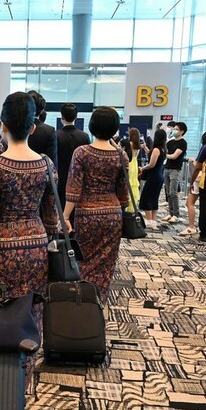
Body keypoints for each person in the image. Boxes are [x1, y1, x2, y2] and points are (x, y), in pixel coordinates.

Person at [0, 92, 59, 384]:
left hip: (2, 251)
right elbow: (51, 218)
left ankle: (1, 381)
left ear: (3, 126)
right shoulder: (46, 165)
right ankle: (25, 376)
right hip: (36, 248)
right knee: (32, 312)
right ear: (33, 127)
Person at [62, 107, 130, 303]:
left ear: (92, 126)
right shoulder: (121, 155)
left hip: (86, 214)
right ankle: (99, 300)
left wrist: (65, 216)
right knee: (106, 264)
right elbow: (123, 193)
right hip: (112, 214)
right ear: (115, 128)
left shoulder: (82, 153)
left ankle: (83, 301)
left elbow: (74, 189)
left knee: (83, 259)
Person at [56, 103, 90, 206]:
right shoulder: (84, 136)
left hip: (60, 180)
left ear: (62, 117)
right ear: (76, 117)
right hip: (79, 180)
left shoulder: (55, 135)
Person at [180, 131, 206, 237]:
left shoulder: (204, 149)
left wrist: (193, 161)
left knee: (189, 203)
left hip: (199, 178)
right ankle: (200, 227)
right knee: (203, 205)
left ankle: (191, 226)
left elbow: (198, 166)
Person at [138, 129, 167, 230]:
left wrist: (142, 168)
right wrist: (145, 147)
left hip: (153, 177)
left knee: (146, 198)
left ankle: (149, 221)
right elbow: (152, 157)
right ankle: (153, 221)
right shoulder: (163, 149)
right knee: (154, 199)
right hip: (159, 176)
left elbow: (151, 164)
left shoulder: (156, 149)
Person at [162, 121, 187, 223]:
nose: (174, 131)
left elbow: (174, 156)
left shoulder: (183, 143)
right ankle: (170, 213)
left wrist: (164, 155)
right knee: (168, 192)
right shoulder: (170, 142)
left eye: (177, 129)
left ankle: (176, 214)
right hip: (167, 168)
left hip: (175, 169)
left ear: (182, 131)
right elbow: (163, 149)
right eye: (174, 129)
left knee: (173, 192)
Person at [26, 90, 58, 165]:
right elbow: (52, 162)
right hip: (41, 170)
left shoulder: (16, 127)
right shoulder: (49, 131)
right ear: (42, 111)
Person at [121, 128, 142, 214]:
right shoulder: (138, 145)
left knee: (128, 183)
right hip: (135, 165)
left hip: (129, 164)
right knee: (133, 183)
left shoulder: (130, 144)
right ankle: (132, 206)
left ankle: (127, 206)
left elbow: (120, 150)